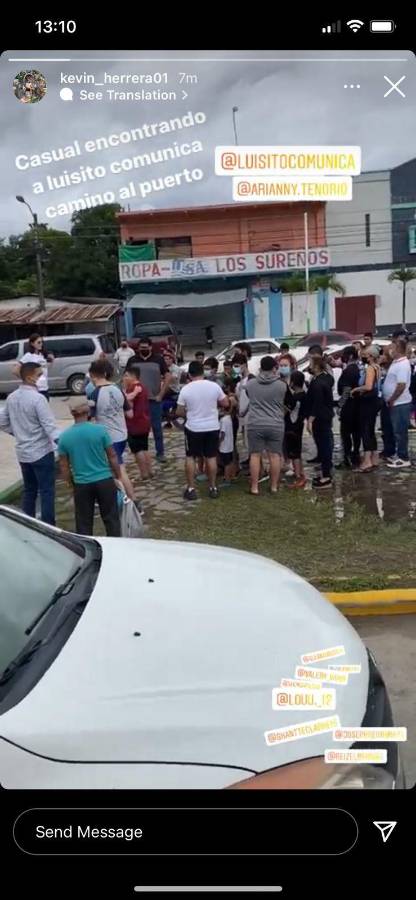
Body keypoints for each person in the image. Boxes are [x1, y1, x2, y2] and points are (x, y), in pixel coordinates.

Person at [0, 362, 60, 525]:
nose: (42, 378)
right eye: (39, 375)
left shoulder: (12, 397)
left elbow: (2, 421)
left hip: (23, 453)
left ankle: (27, 524)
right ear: (29, 377)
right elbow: (50, 426)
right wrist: (64, 446)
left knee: (29, 490)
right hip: (41, 451)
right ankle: (49, 526)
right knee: (47, 491)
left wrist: (17, 433)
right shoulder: (38, 399)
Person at [58, 396, 121, 537]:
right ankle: (116, 546)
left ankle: (87, 548)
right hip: (104, 480)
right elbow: (112, 456)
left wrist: (70, 482)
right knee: (111, 519)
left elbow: (64, 465)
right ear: (88, 412)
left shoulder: (64, 437)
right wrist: (118, 475)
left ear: (72, 413)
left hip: (82, 483)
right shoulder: (100, 430)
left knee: (83, 522)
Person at [176, 360, 229, 500]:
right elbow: (225, 402)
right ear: (202, 372)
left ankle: (191, 488)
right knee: (211, 457)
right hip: (212, 426)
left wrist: (190, 413)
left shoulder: (186, 389)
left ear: (189, 374)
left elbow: (179, 411)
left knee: (191, 457)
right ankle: (213, 487)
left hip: (193, 427)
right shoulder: (214, 386)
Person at [88, 359, 135, 500]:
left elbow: (89, 418)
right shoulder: (118, 389)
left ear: (93, 375)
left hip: (108, 438)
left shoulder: (94, 394)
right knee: (118, 469)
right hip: (122, 434)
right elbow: (130, 414)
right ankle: (122, 498)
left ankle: (132, 501)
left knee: (119, 471)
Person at [243, 356, 287, 495]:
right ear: (274, 368)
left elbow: (249, 397)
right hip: (275, 423)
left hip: (255, 423)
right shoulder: (281, 385)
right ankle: (274, 486)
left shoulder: (250, 384)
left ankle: (254, 487)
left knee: (255, 456)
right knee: (275, 456)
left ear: (260, 368)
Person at [126, 337, 172, 463]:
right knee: (138, 428)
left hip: (154, 400)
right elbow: (126, 378)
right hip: (136, 401)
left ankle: (160, 452)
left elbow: (168, 376)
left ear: (151, 347)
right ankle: (141, 452)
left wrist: (161, 394)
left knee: (157, 427)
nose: (144, 350)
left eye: (146, 347)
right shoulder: (132, 360)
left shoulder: (158, 360)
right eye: (142, 348)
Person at [382, 337, 413, 469]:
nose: (389, 350)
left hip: (400, 403)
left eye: (392, 348)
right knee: (396, 431)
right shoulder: (396, 362)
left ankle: (403, 457)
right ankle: (398, 454)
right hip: (395, 403)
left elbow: (401, 385)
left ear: (397, 349)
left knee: (400, 432)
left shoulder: (402, 364)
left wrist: (392, 399)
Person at [351, 345, 381, 472]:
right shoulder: (377, 367)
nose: (363, 357)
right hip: (374, 400)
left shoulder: (370, 368)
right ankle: (374, 457)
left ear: (371, 357)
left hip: (368, 401)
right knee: (370, 429)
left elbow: (368, 386)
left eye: (365, 355)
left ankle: (367, 460)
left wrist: (356, 389)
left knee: (366, 430)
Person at [306, 357, 335, 489]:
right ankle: (326, 473)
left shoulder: (317, 383)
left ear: (316, 366)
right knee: (325, 444)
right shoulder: (326, 378)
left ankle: (326, 476)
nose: (309, 366)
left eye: (311, 364)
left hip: (320, 418)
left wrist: (310, 419)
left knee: (323, 446)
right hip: (326, 416)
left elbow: (317, 403)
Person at [123, 365, 153, 480]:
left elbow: (129, 405)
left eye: (126, 376)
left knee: (137, 450)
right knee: (145, 448)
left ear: (132, 376)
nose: (124, 378)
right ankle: (150, 471)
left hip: (134, 423)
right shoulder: (142, 387)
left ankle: (143, 473)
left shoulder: (132, 389)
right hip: (144, 421)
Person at [337, 345, 361, 468]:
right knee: (356, 433)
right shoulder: (358, 369)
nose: (343, 357)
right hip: (358, 405)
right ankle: (356, 455)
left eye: (345, 355)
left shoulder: (349, 371)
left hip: (349, 406)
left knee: (346, 433)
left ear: (350, 356)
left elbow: (346, 390)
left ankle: (347, 458)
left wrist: (340, 405)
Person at [285, 370, 307, 489]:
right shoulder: (304, 395)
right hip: (299, 426)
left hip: (293, 427)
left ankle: (298, 476)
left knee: (294, 452)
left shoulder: (295, 398)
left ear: (292, 382)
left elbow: (288, 410)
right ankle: (298, 471)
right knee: (296, 450)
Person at [15, 333, 54, 401]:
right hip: (35, 389)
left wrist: (52, 361)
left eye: (42, 342)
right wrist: (27, 380)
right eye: (38, 342)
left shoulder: (42, 355)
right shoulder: (29, 356)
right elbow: (15, 370)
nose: (41, 344)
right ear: (32, 343)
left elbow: (45, 369)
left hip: (45, 388)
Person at [218, 402, 235, 487]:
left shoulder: (223, 420)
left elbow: (222, 434)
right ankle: (231, 476)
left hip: (224, 446)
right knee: (230, 461)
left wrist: (218, 443)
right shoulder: (229, 418)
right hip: (230, 445)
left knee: (226, 463)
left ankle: (227, 479)